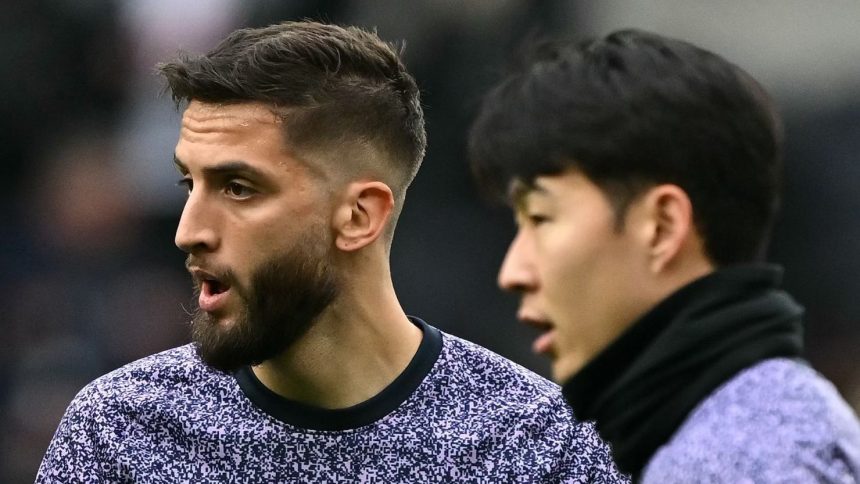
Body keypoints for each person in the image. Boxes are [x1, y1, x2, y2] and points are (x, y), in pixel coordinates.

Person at [37, 21, 627, 482]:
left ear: (358, 216)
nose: (188, 231)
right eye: (189, 185)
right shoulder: (119, 433)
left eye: (238, 188)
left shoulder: (540, 447)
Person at [468, 29, 860, 482]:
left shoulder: (731, 464)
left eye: (541, 218)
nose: (513, 272)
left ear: (662, 227)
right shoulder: (768, 428)